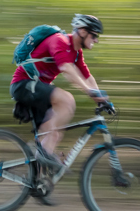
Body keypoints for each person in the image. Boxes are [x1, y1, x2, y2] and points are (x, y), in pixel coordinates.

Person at [10, 14, 110, 175]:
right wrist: (89, 92)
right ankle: (42, 151)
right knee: (67, 100)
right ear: (83, 31)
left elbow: (87, 76)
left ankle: (38, 185)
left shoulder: (76, 53)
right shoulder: (60, 40)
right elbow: (66, 69)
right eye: (94, 35)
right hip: (23, 84)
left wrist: (101, 98)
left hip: (38, 89)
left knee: (55, 135)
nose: (96, 39)